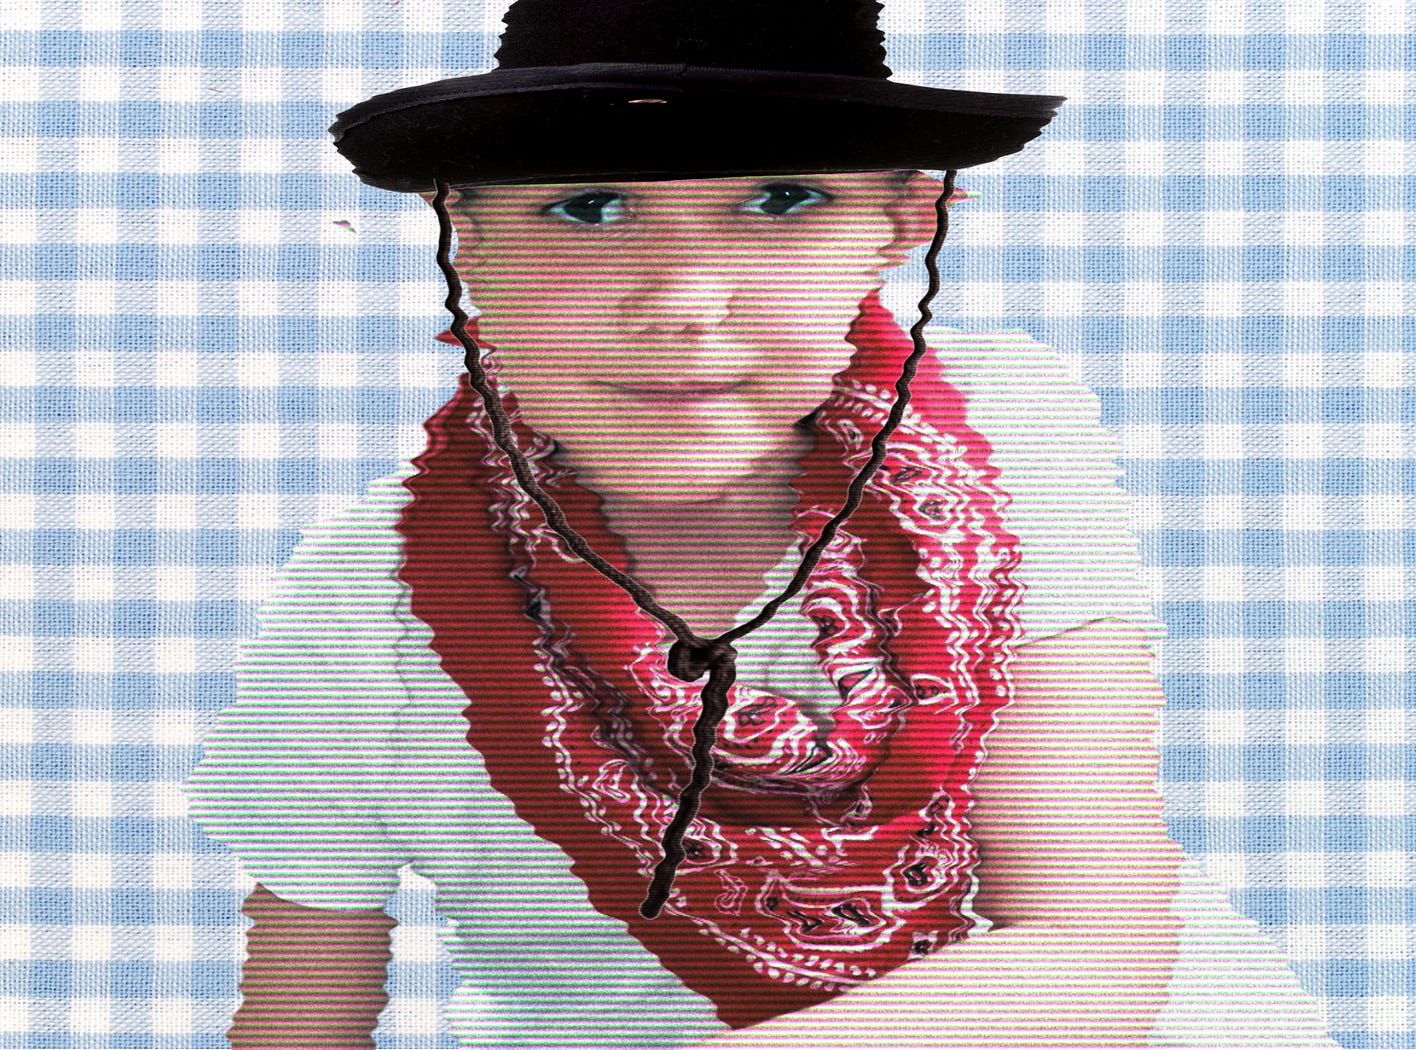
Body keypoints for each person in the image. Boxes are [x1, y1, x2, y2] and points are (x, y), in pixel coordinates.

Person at [186, 1, 1340, 1047]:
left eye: (782, 199)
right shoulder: (364, 597)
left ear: (900, 222)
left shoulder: (1005, 436)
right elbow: (302, 999)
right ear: (469, 241)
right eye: (588, 208)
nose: (685, 300)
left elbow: (1095, 944)